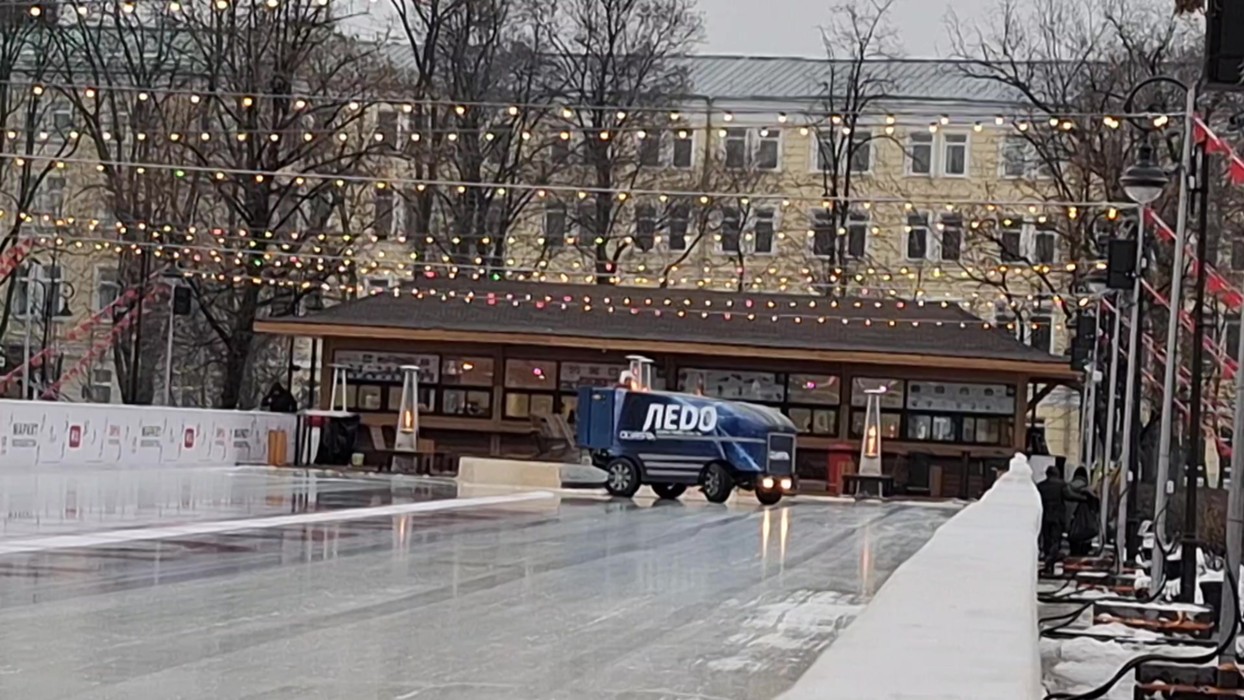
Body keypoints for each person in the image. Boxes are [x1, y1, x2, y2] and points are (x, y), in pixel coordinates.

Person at [1036, 465, 1086, 575]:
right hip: (1057, 517)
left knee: (1047, 539)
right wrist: (1083, 498)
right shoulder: (1061, 485)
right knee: (1056, 540)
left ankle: (1048, 561)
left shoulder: (1040, 486)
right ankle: (1050, 559)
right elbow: (1069, 495)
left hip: (1044, 517)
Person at [1066, 467, 1101, 557]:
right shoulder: (1089, 491)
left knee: (1073, 553)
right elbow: (1096, 506)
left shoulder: (1067, 488)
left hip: (1070, 527)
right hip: (1085, 528)